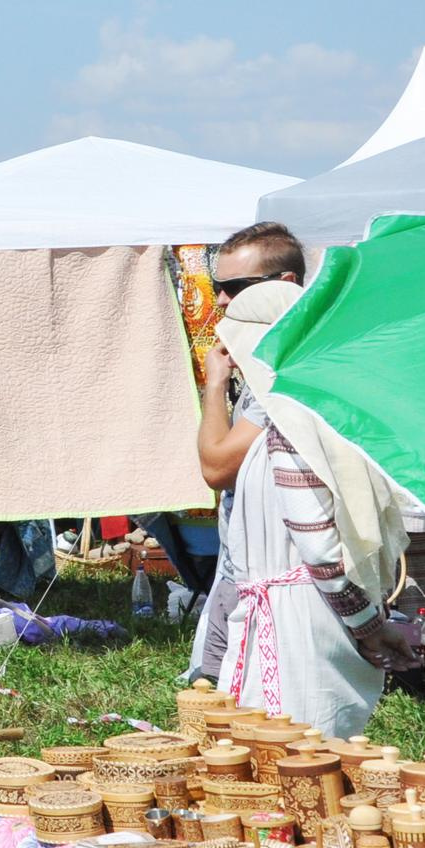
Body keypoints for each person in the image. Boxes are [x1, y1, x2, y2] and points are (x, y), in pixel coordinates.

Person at [207, 281, 416, 736]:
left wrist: (368, 626)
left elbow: (319, 548)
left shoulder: (291, 426)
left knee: (298, 749)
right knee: (291, 748)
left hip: (301, 618)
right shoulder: (300, 418)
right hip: (289, 609)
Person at [189, 221, 309, 682]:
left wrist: (215, 385)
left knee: (231, 698)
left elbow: (217, 466)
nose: (221, 300)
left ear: (283, 286)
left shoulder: (284, 371)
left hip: (276, 577)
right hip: (251, 564)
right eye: (218, 287)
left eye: (235, 287)